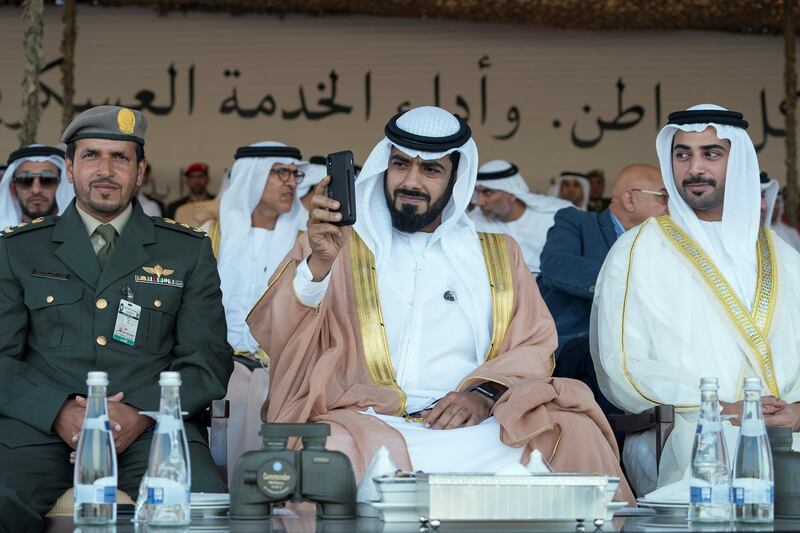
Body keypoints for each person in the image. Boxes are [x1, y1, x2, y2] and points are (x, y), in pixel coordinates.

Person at [246, 106, 634, 503]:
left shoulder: (497, 255)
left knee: (572, 434)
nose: (410, 181)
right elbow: (279, 337)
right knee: (328, 453)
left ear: (456, 179)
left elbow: (534, 345)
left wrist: (483, 395)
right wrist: (318, 268)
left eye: (431, 170)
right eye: (400, 165)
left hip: (479, 429)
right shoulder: (334, 244)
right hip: (367, 422)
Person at [0, 106, 233, 530]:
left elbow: (208, 359)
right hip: (38, 431)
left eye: (120, 158)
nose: (105, 170)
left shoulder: (184, 250)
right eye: (91, 156)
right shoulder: (19, 250)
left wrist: (143, 412)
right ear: (70, 168)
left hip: (150, 434)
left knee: (205, 508)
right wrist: (57, 412)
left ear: (140, 171)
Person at [591, 104, 800, 497]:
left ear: (737, 163)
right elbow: (623, 366)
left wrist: (796, 413)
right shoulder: (637, 250)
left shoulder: (783, 255)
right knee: (719, 442)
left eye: (711, 154)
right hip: (685, 427)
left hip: (784, 426)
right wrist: (717, 406)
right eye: (682, 154)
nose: (694, 169)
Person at [201, 142, 306, 473]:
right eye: (280, 173)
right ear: (252, 176)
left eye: (294, 174)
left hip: (283, 368)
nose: (290, 182)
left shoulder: (305, 240)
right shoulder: (212, 235)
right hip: (219, 364)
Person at [538, 164, 667, 416]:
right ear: (630, 199)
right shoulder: (577, 222)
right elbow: (557, 266)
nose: (670, 206)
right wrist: (630, 285)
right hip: (577, 344)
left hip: (639, 350)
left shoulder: (664, 244)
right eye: (664, 196)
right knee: (613, 358)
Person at [469, 160, 570, 274]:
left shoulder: (554, 215)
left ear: (512, 194)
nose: (479, 202)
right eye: (477, 193)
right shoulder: (472, 224)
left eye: (487, 193)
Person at [0, 144, 74, 229]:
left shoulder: (79, 235)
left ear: (61, 188)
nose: (36, 190)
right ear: (13, 189)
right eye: (25, 181)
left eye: (47, 180)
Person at [772, 187, 800, 251]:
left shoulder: (792, 233)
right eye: (772, 201)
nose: (774, 206)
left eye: (777, 201)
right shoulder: (758, 232)